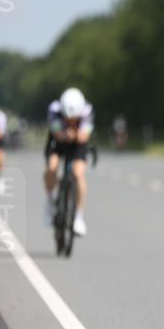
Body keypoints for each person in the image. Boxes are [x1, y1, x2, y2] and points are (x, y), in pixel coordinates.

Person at [43, 87, 94, 236]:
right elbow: (57, 133)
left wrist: (76, 134)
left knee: (78, 174)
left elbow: (84, 136)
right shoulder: (54, 109)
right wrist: (65, 135)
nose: (70, 120)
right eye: (67, 117)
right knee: (52, 168)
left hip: (77, 144)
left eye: (74, 118)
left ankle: (78, 216)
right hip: (58, 142)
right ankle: (50, 200)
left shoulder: (87, 110)